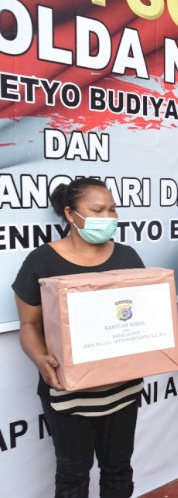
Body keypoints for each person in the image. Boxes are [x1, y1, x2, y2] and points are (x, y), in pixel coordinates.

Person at [12, 177, 144, 497]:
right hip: (69, 395)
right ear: (71, 215)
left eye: (112, 210)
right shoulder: (42, 261)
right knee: (73, 475)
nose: (109, 217)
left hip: (123, 391)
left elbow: (142, 316)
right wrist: (41, 359)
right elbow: (29, 325)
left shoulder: (128, 257)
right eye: (98, 210)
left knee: (118, 470)